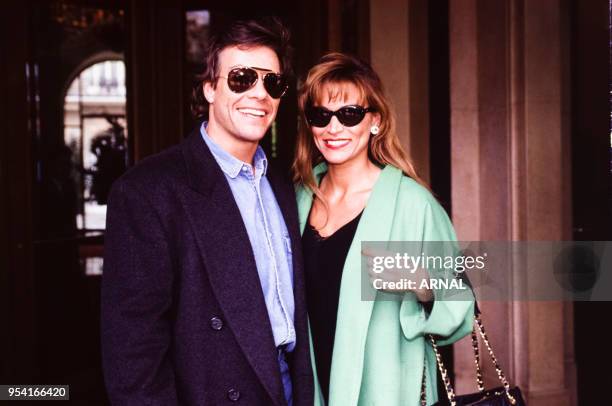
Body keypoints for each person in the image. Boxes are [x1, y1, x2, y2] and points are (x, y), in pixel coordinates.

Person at [101, 17, 313, 406]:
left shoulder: (284, 183)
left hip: (287, 389)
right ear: (209, 88)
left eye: (273, 82)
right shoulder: (148, 191)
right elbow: (133, 354)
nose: (259, 93)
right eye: (241, 78)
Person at [292, 52, 474, 405]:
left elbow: (460, 303)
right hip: (312, 389)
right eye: (321, 115)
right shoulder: (298, 198)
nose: (333, 129)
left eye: (349, 115)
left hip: (387, 389)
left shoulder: (412, 204)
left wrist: (420, 282)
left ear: (374, 120)